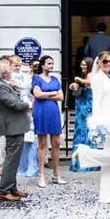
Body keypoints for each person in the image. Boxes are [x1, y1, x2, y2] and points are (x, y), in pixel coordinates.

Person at [74, 51, 110, 202]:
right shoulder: (98, 79)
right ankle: (83, 153)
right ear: (99, 63)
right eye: (105, 62)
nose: (108, 64)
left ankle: (107, 196)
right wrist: (97, 124)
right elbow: (96, 102)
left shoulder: (109, 78)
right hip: (106, 124)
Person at [0, 58, 31, 202]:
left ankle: (11, 187)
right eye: (10, 70)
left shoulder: (4, 84)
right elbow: (14, 104)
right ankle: (4, 191)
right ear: (5, 74)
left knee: (14, 159)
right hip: (11, 127)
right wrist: (28, 105)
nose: (12, 72)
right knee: (11, 160)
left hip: (15, 126)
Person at [31, 55, 65, 188]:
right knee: (42, 142)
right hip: (41, 112)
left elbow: (61, 96)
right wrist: (52, 93)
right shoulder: (37, 78)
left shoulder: (55, 79)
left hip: (53, 113)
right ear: (43, 65)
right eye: (49, 63)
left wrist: (45, 94)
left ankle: (56, 174)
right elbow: (37, 94)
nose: (51, 66)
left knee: (56, 142)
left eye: (52, 63)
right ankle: (41, 175)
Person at [69, 57, 99, 173]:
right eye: (81, 65)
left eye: (85, 65)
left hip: (87, 106)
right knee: (80, 131)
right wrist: (73, 85)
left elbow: (91, 83)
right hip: (80, 105)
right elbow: (78, 86)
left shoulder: (92, 75)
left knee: (87, 132)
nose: (83, 67)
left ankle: (88, 163)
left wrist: (80, 80)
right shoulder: (83, 75)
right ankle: (79, 162)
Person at [10, 55, 38, 177]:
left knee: (30, 139)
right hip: (16, 109)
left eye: (19, 65)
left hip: (26, 108)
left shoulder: (25, 76)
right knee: (20, 140)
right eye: (15, 65)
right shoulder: (8, 77)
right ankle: (22, 167)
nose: (18, 67)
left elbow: (28, 91)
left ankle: (32, 166)